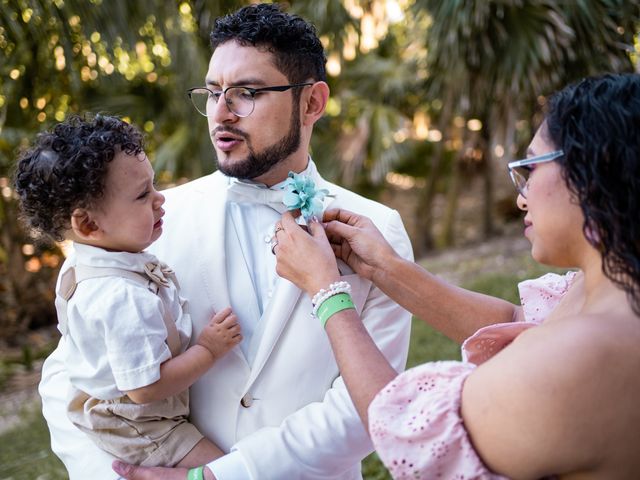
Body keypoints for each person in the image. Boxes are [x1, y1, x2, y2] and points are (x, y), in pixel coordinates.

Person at [37, 3, 413, 480]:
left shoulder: (377, 230)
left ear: (312, 103)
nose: (221, 113)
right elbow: (71, 377)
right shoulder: (147, 222)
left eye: (247, 92)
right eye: (213, 92)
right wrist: (118, 473)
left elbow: (364, 408)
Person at [274, 72, 640, 479]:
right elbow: (523, 326)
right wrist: (384, 267)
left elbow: (408, 425)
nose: (521, 196)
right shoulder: (612, 293)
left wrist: (327, 291)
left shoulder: (588, 356)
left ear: (595, 173)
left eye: (531, 167)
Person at [14, 114, 242, 469]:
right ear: (89, 224)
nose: (160, 199)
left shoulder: (82, 265)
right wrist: (209, 350)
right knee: (227, 472)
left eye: (153, 185)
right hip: (141, 425)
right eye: (142, 195)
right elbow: (145, 390)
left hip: (115, 413)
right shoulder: (121, 298)